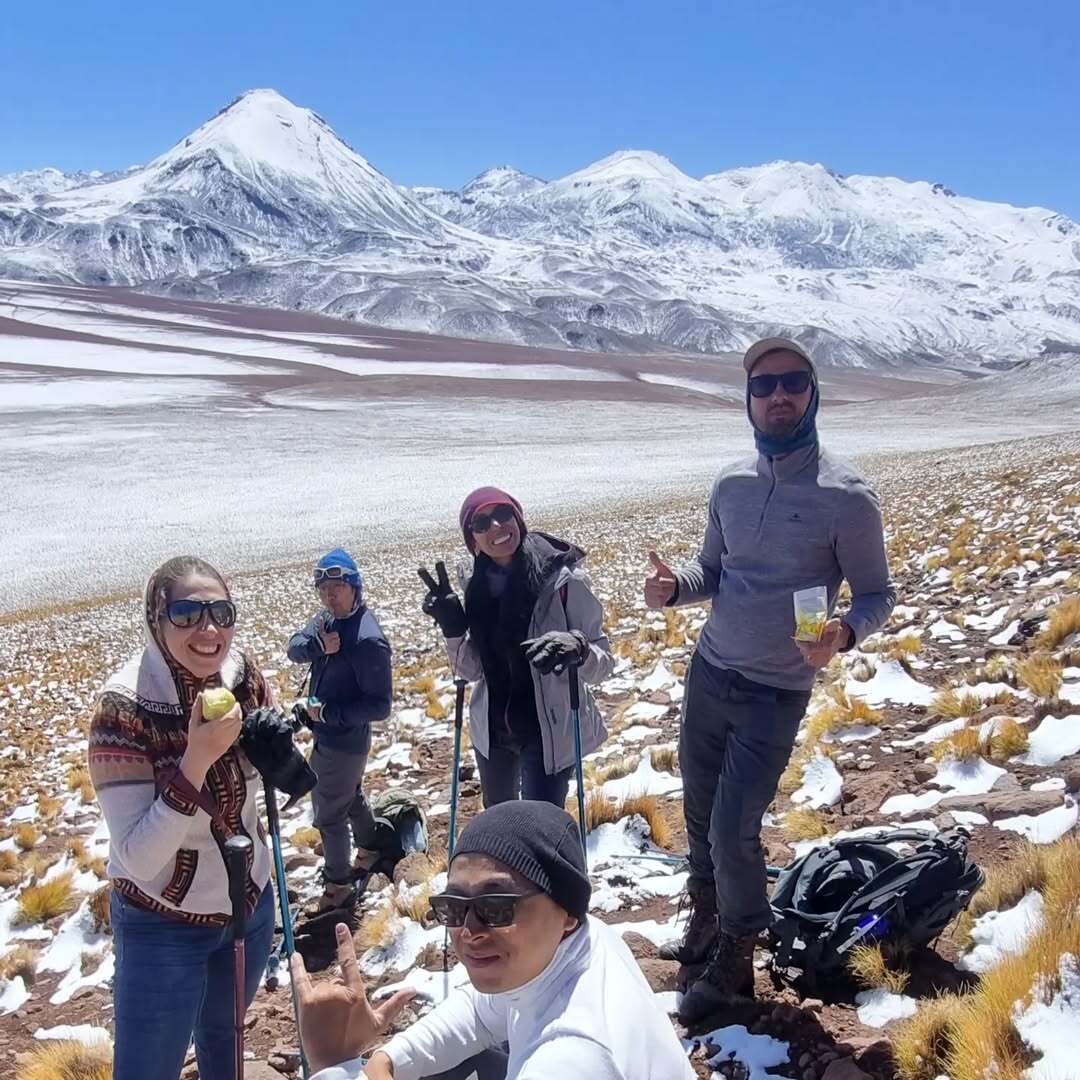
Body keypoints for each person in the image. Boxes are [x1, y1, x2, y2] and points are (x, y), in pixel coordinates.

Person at [644, 337, 896, 1025]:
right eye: (764, 386)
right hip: (711, 671)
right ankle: (705, 916)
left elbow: (878, 593)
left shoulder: (847, 497)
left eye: (792, 382)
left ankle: (735, 959)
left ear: (813, 393)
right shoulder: (731, 483)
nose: (778, 395)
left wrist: (845, 633)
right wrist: (675, 590)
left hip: (776, 691)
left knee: (733, 830)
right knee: (698, 814)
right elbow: (714, 572)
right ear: (748, 400)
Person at [292, 801, 696, 1079]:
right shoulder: (581, 945)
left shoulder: (571, 1058)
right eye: (453, 906)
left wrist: (333, 1062)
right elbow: (483, 1010)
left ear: (566, 913)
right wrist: (389, 1057)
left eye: (497, 906)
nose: (468, 931)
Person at [88, 555, 276, 1080]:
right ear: (156, 619)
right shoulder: (122, 709)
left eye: (221, 611)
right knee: (148, 1068)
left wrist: (279, 750)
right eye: (187, 613)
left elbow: (263, 790)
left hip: (247, 899)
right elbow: (139, 858)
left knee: (226, 1043)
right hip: (160, 922)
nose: (208, 628)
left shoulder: (245, 678)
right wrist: (196, 758)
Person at [419, 487, 614, 808]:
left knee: (541, 829)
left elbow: (604, 663)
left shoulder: (564, 580)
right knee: (500, 822)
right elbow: (470, 671)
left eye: (502, 514)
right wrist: (453, 629)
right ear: (473, 540)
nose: (495, 526)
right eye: (481, 523)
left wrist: (578, 648)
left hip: (547, 733)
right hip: (492, 733)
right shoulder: (476, 584)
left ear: (518, 519)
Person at [288, 548, 393, 911]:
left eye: (336, 587)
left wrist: (329, 713)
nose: (329, 596)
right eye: (323, 589)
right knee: (348, 797)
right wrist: (318, 646)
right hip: (332, 737)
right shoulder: (326, 622)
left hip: (344, 740)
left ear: (354, 587)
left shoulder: (367, 639)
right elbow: (293, 648)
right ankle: (372, 846)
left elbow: (380, 706)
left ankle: (337, 886)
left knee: (329, 814)